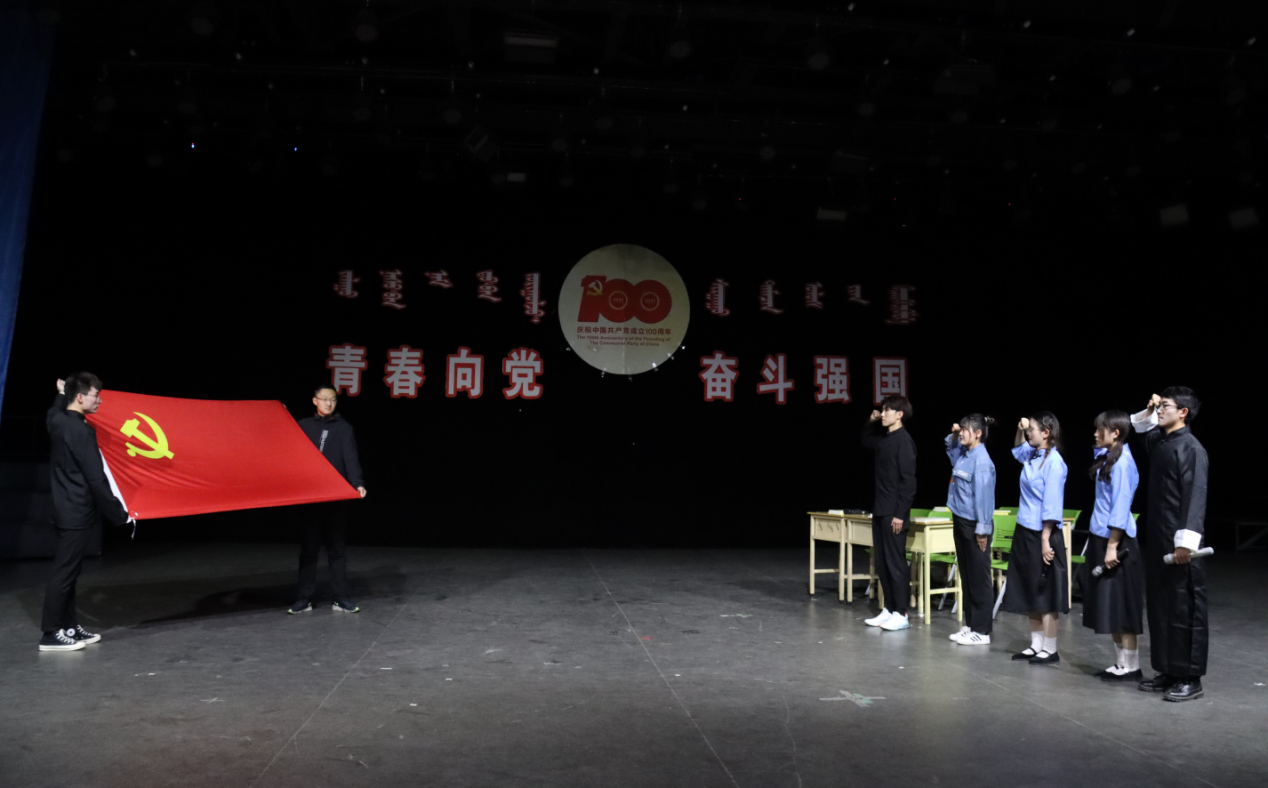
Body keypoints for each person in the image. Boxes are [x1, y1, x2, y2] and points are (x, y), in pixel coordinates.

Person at [41, 374, 130, 652]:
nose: (99, 400)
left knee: (70, 572)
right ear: (80, 397)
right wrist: (119, 514)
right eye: (95, 395)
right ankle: (51, 633)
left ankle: (68, 626)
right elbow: (96, 478)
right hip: (76, 511)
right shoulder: (81, 431)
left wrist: (60, 393)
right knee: (64, 573)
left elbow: (53, 410)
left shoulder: (57, 421)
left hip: (64, 508)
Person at [1131, 389, 1209, 701]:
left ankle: (1190, 676)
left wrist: (1185, 544)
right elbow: (1142, 428)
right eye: (1159, 406)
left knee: (1184, 608)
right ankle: (1168, 670)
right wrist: (1151, 407)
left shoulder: (1191, 448)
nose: (1160, 411)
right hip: (1159, 539)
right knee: (1161, 606)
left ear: (1183, 412)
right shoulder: (1163, 443)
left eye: (1165, 406)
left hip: (1181, 543)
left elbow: (1195, 497)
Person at [290, 385, 367, 614]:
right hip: (311, 497)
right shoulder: (302, 426)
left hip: (336, 497)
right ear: (315, 401)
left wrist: (357, 483)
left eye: (332, 399)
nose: (329, 403)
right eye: (324, 399)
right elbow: (285, 448)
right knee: (309, 550)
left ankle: (340, 598)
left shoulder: (344, 428)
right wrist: (280, 416)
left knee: (337, 550)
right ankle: (303, 598)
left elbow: (350, 458)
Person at [1001, 412, 1069, 665]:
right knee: (1029, 588)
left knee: (1046, 592)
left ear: (1046, 433)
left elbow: (1052, 504)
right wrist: (1022, 429)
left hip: (1043, 533)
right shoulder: (1033, 455)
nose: (1029, 433)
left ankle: (1050, 649)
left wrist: (1045, 539)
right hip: (1025, 530)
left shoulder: (1054, 463)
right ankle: (1036, 644)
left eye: (1033, 429)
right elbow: (1018, 451)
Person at [1082, 411, 1143, 681]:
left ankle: (1132, 666)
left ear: (1115, 433)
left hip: (1116, 541)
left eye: (1100, 429)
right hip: (1102, 537)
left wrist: (1111, 547)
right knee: (1111, 605)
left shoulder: (1123, 463)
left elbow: (1120, 506)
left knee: (1122, 605)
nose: (1095, 433)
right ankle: (1121, 663)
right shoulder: (1109, 458)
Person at [860, 395, 917, 632]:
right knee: (882, 564)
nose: (882, 414)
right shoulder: (885, 439)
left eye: (887, 410)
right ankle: (889, 608)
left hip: (894, 513)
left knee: (896, 564)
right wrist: (871, 420)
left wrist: (900, 514)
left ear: (899, 414)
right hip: (880, 510)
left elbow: (909, 482)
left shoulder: (904, 441)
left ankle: (901, 613)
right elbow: (865, 440)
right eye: (882, 410)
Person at [944, 414, 997, 646]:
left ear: (978, 433)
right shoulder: (965, 455)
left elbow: (984, 499)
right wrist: (957, 432)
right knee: (967, 577)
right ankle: (971, 624)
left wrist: (982, 530)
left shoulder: (981, 461)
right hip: (961, 521)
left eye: (966, 429)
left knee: (979, 579)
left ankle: (982, 631)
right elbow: (950, 445)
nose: (962, 432)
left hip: (975, 525)